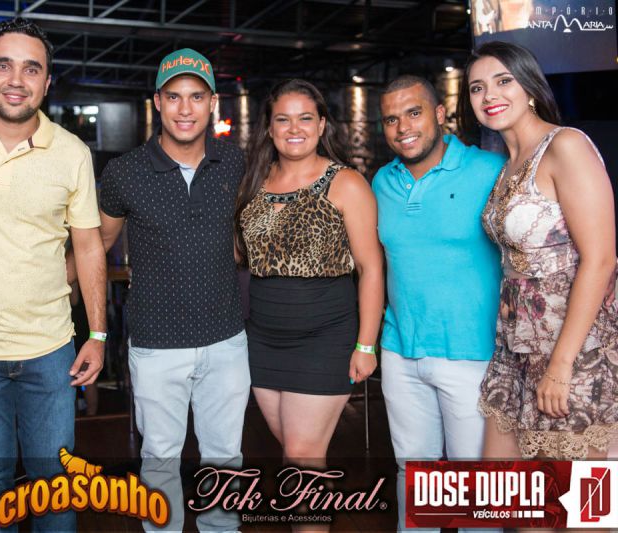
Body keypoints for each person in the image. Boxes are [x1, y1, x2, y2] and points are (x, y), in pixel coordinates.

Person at [0, 18, 106, 532]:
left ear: (47, 82)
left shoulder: (72, 152)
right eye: (4, 65)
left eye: (31, 68)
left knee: (53, 482)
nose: (16, 79)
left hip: (49, 348)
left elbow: (88, 246)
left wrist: (98, 333)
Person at [99, 48, 249, 532]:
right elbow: (96, 248)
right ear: (158, 102)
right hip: (156, 344)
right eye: (175, 96)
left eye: (197, 97)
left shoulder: (235, 162)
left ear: (213, 104)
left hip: (226, 341)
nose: (186, 109)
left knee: (225, 458)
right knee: (160, 457)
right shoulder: (124, 172)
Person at [459, 41, 618, 460]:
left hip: (573, 349)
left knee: (575, 497)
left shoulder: (565, 146)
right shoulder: (508, 163)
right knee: (506, 489)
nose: (489, 95)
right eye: (477, 88)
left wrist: (562, 365)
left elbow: (601, 259)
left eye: (503, 81)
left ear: (529, 87)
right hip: (515, 347)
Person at [236, 79, 383, 501]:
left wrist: (366, 345)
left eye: (305, 118)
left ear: (321, 125)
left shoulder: (346, 182)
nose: (294, 128)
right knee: (296, 455)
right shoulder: (254, 182)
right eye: (283, 119)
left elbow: (371, 268)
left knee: (302, 456)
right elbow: (240, 255)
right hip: (263, 339)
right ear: (269, 128)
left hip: (325, 338)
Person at [373, 75, 505, 531]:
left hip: (473, 354)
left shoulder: (491, 170)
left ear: (439, 114)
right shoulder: (382, 181)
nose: (403, 128)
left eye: (413, 113)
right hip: (400, 350)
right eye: (391, 119)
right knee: (415, 477)